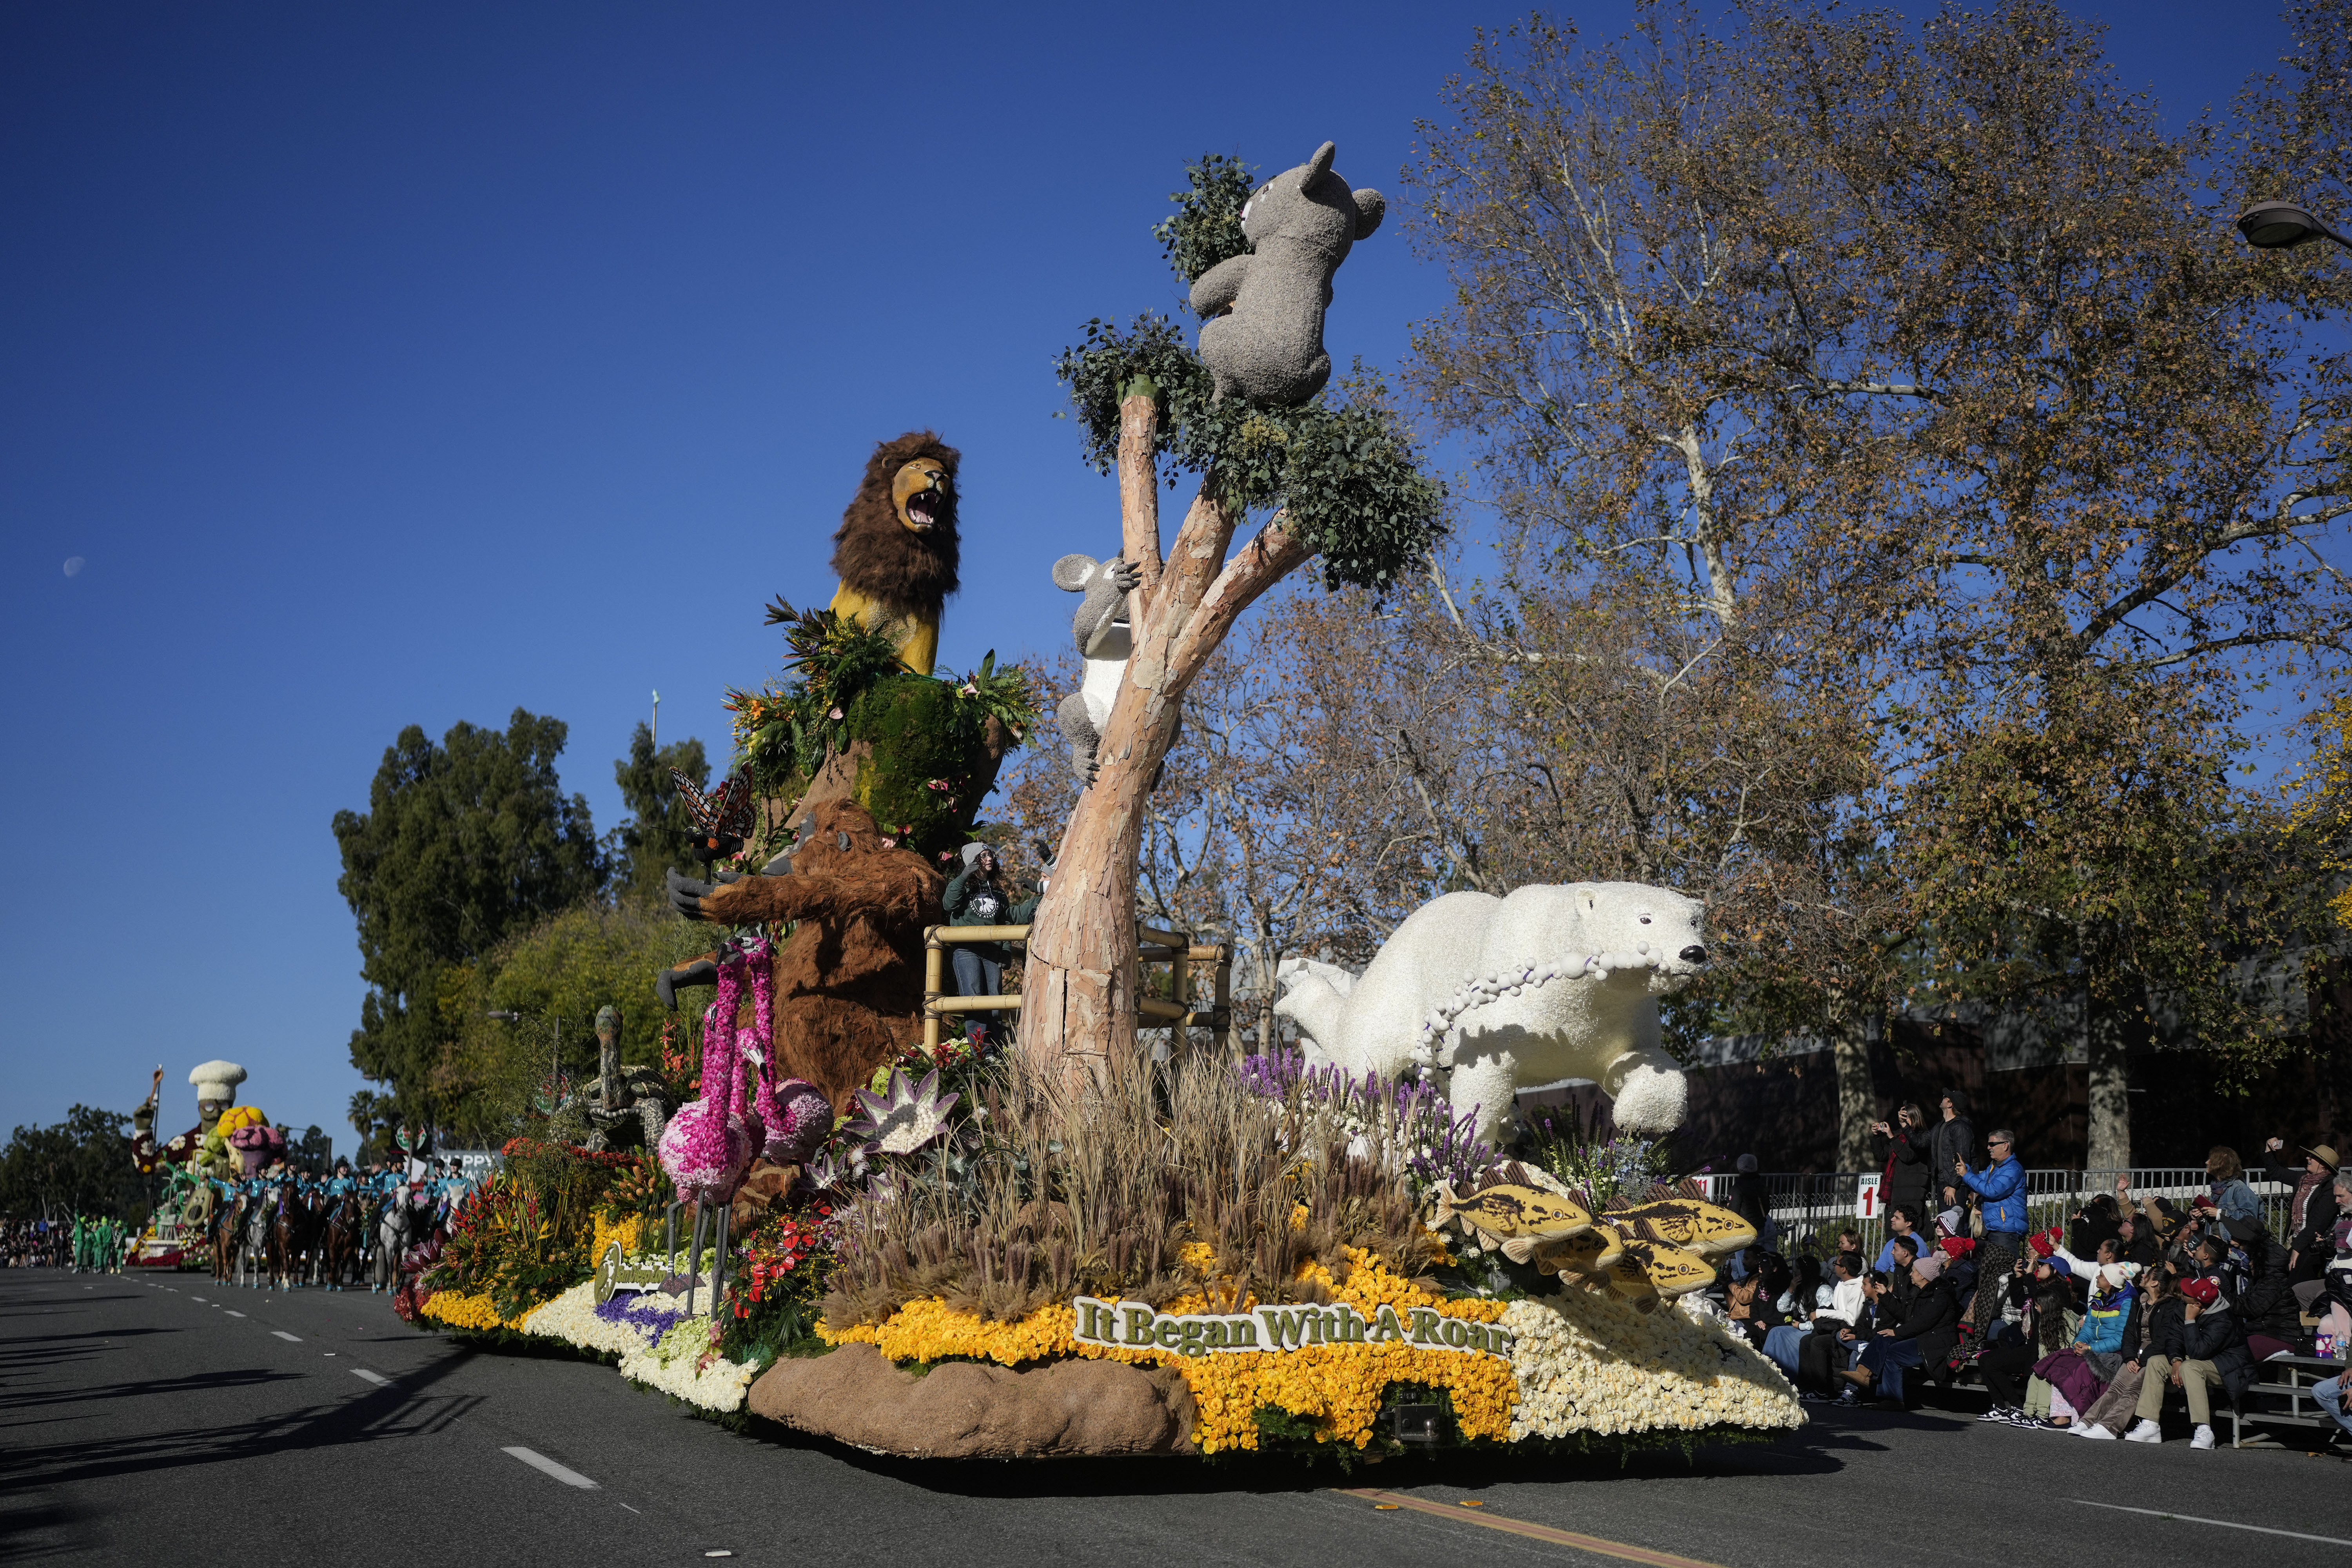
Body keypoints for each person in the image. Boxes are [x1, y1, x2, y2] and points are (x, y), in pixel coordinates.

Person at [2122, 1274, 2249, 1448]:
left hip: (2227, 1365)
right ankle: (2150, 1424)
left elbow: (2199, 1352)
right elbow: (2173, 1338)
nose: (2182, 1292)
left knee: (2190, 1367)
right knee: (2156, 1362)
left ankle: (2204, 1430)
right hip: (2195, 1359)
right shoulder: (2183, 1307)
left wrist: (2190, 1320)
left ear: (2197, 1304)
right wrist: (2176, 1361)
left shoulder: (2223, 1319)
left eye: (2187, 1292)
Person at [1840, 1252, 1960, 1406]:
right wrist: (1885, 1296)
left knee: (1892, 1353)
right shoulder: (1923, 1292)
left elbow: (1923, 1323)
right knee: (1884, 1337)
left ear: (1923, 1276)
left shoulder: (1939, 1296)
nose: (1911, 1274)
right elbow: (1906, 1317)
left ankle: (1892, 1399)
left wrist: (1896, 1332)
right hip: (1922, 1337)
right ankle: (1863, 1374)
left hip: (1935, 1343)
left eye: (1915, 1272)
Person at [2078, 1269, 2184, 1439]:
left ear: (2155, 1283)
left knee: (2134, 1389)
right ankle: (2089, 1421)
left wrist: (2142, 1360)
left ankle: (2109, 1427)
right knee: (2116, 1387)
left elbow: (2164, 1339)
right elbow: (2128, 1333)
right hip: (2136, 1353)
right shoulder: (2138, 1302)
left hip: (2156, 1355)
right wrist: (2130, 1357)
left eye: (2147, 1275)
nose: (2142, 1276)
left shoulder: (2170, 1306)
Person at [1979, 1253, 2076, 1425]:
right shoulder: (2041, 1287)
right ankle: (2001, 1407)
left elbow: (2041, 1300)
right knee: (1985, 1359)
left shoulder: (2059, 1290)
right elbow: (2019, 1303)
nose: (2039, 1267)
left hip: (2044, 1347)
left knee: (1992, 1362)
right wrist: (2018, 1277)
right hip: (2029, 1344)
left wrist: (2030, 1276)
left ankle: (2018, 1407)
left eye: (2044, 1266)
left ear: (2054, 1271)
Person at [1958, 1127, 2028, 1338]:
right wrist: (1967, 1169)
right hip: (1995, 1234)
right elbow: (1981, 1180)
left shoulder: (2013, 1169)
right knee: (1989, 1284)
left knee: (1999, 1286)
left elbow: (1992, 1190)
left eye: (1992, 1144)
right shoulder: (1995, 1167)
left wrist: (1967, 1176)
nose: (1988, 1148)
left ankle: (1992, 1333)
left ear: (2005, 1146)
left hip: (2006, 1235)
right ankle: (1982, 1331)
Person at [2262, 1136, 2341, 1285]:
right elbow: (2276, 1172)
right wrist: (2268, 1149)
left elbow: (2318, 1222)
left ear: (2323, 1165)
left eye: (2313, 1157)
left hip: (2313, 1244)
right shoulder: (2302, 1178)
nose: (2308, 1158)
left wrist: (2297, 1249)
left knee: (2298, 1283)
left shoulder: (2330, 1186)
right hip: (2297, 1241)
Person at [1876, 1103, 1935, 1218]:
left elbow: (1908, 1156)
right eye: (1902, 1118)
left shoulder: (1923, 1137)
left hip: (1912, 1192)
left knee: (1910, 1227)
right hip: (1896, 1191)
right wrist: (1876, 1137)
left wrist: (1892, 1137)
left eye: (1906, 1118)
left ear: (1915, 1117)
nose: (1903, 1121)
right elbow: (1881, 1156)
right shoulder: (1899, 1137)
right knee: (1893, 1228)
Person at [1931, 1090, 1979, 1216]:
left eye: (1945, 1097)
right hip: (1943, 1183)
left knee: (1956, 1229)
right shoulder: (1940, 1127)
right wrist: (1905, 1126)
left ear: (1950, 1104)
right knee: (1945, 1228)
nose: (1942, 1098)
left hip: (1956, 1186)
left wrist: (1953, 1185)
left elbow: (1962, 1159)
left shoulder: (1960, 1128)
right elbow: (1921, 1142)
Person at [2197, 1146, 2263, 1229]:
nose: (2207, 1162)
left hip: (2229, 1241)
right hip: (2214, 1239)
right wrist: (2202, 1216)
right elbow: (2215, 1221)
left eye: (2211, 1160)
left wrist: (2220, 1214)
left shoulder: (2239, 1188)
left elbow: (2250, 1219)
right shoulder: (2218, 1188)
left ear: (2222, 1163)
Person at [1873, 1205, 1933, 1274]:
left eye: (1897, 1218)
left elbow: (1912, 1273)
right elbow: (1880, 1267)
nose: (1892, 1219)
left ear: (1908, 1223)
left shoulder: (1916, 1245)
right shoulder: (1891, 1243)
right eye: (1894, 1216)